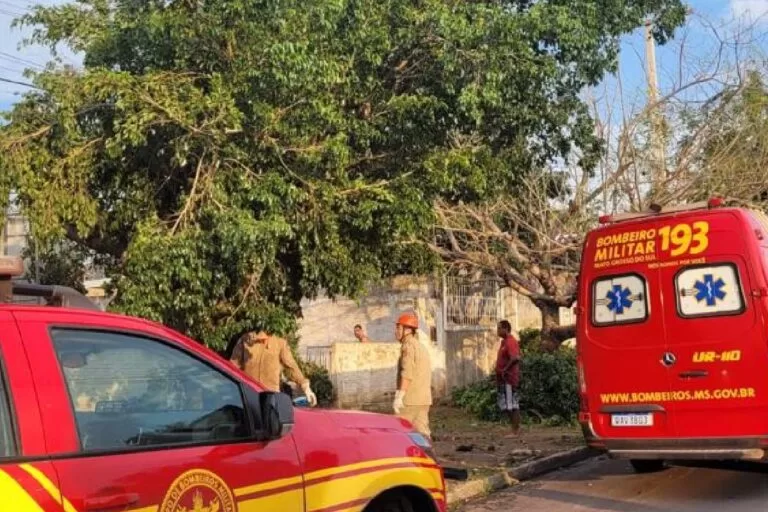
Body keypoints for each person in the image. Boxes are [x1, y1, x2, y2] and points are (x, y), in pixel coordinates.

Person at [229, 331, 317, 406]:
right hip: (250, 397)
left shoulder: (279, 342)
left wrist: (306, 387)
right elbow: (232, 368)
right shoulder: (246, 340)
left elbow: (291, 366)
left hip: (267, 397)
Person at [393, 312, 432, 438]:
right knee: (422, 434)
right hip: (423, 399)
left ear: (408, 330)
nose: (396, 331)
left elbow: (407, 373)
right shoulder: (420, 346)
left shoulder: (408, 346)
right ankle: (428, 456)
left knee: (399, 433)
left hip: (410, 401)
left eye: (399, 328)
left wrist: (400, 396)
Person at [495, 320, 521, 435]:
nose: (498, 331)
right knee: (506, 404)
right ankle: (513, 428)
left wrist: (505, 370)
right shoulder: (503, 342)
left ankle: (515, 430)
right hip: (503, 379)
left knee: (511, 405)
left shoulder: (511, 342)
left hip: (509, 379)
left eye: (499, 328)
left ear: (505, 329)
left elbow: (515, 358)